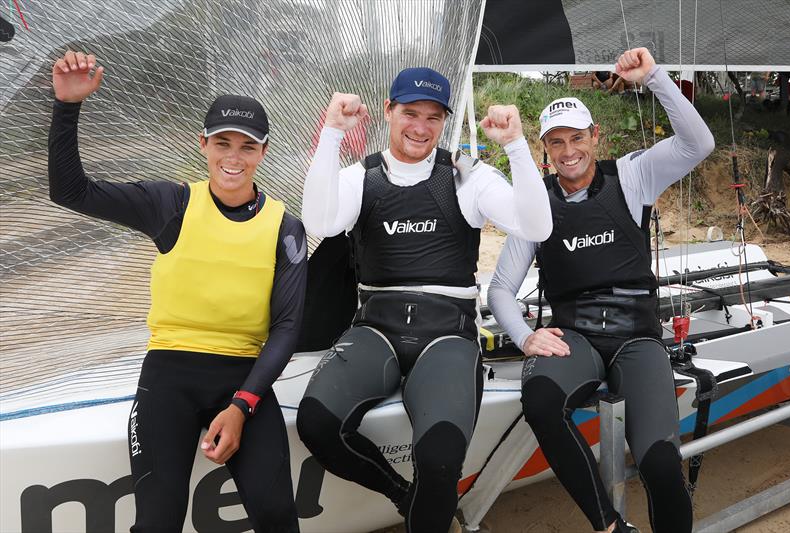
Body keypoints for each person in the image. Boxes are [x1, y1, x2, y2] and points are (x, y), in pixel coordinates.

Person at [49, 50, 305, 532]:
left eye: (247, 147)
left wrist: (241, 405)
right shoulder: (170, 204)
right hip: (168, 375)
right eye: (222, 143)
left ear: (263, 152)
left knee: (277, 517)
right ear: (202, 144)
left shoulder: (285, 227)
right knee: (159, 522)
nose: (233, 157)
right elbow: (70, 192)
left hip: (245, 380)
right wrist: (67, 107)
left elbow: (288, 327)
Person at [296, 67, 552, 532]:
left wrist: (516, 145)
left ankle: (427, 503)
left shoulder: (467, 179)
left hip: (447, 335)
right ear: (389, 113)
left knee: (439, 460)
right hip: (376, 329)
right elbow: (320, 221)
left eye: (433, 117)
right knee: (316, 424)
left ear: (444, 123)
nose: (420, 126)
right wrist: (332, 134)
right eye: (410, 112)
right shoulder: (363, 178)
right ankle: (402, 495)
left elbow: (536, 228)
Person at [488, 47, 714, 533]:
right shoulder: (537, 203)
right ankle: (608, 524)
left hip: (637, 335)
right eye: (556, 143)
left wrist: (654, 77)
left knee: (658, 464)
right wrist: (526, 336)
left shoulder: (632, 174)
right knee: (542, 403)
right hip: (577, 337)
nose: (569, 152)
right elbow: (502, 289)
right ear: (544, 149)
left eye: (577, 138)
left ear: (596, 136)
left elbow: (698, 144)